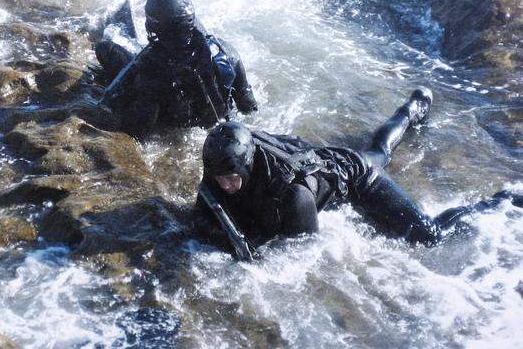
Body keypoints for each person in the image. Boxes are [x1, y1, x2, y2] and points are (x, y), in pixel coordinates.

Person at [194, 87, 523, 254]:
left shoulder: (292, 196)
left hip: (355, 177)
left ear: (247, 164)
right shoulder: (221, 160)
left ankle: (502, 200)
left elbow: (301, 253)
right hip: (319, 164)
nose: (225, 184)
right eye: (219, 177)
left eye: (230, 177)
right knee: (377, 150)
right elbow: (204, 212)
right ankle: (411, 111)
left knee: (429, 236)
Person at [95, 0, 258, 138]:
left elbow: (137, 131)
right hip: (216, 120)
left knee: (104, 48)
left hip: (178, 120)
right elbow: (248, 105)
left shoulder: (152, 74)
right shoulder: (226, 51)